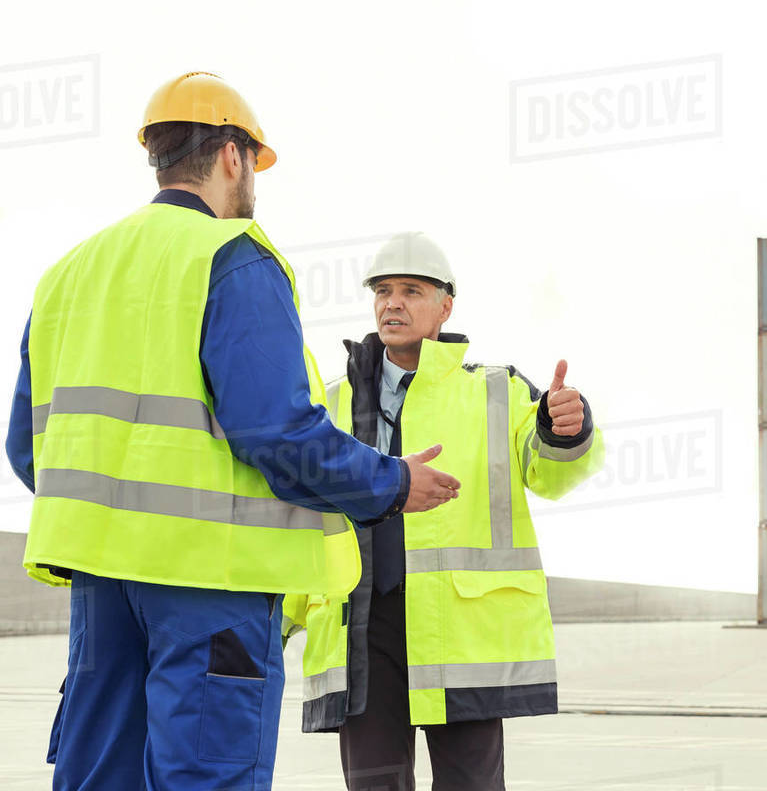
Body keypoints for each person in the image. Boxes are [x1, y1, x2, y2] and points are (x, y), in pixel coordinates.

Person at [4, 72, 460, 790]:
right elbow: (278, 434)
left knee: (99, 778)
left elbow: (30, 450)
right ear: (230, 157)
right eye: (255, 163)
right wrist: (393, 481)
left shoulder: (69, 272)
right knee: (207, 775)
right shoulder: (233, 258)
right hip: (211, 584)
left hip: (99, 584)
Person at [282, 232, 603, 791]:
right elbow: (296, 519)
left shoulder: (496, 391)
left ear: (445, 306)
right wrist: (273, 619)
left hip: (460, 633)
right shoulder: (329, 403)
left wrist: (563, 427)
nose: (393, 303)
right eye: (383, 290)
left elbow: (548, 470)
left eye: (411, 290)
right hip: (361, 632)